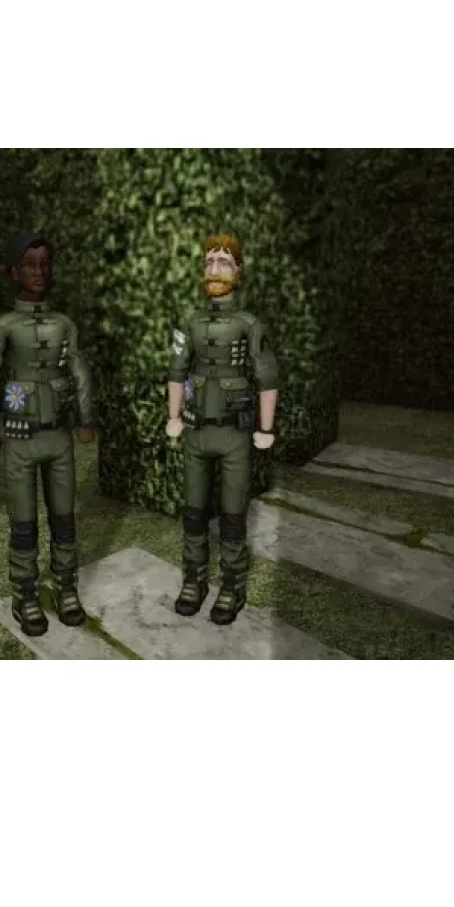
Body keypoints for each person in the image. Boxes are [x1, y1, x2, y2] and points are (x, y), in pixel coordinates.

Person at [0, 231, 96, 637]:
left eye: (44, 263)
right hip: (20, 439)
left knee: (64, 518)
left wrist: (85, 418)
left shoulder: (64, 325)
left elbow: (79, 372)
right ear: (14, 272)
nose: (39, 271)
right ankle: (24, 594)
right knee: (23, 522)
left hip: (59, 437)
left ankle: (65, 586)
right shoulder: (0, 328)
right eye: (29, 264)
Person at [165, 233, 279, 625]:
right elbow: (177, 371)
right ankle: (193, 581)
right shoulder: (190, 323)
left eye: (224, 262)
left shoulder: (249, 324)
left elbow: (267, 376)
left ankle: (232, 586)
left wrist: (266, 427)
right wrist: (173, 416)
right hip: (196, 433)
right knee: (193, 511)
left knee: (232, 514)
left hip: (234, 437)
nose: (215, 269)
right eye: (210, 261)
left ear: (238, 271)